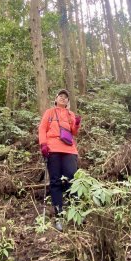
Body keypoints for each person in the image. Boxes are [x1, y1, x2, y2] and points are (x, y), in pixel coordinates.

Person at [38, 89, 81, 231]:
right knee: (55, 182)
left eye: (66, 97)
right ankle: (59, 216)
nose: (63, 98)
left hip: (69, 150)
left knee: (72, 180)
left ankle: (76, 213)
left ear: (68, 102)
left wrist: (76, 123)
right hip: (53, 149)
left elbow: (74, 132)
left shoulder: (70, 114)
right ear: (56, 99)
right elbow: (42, 128)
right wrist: (43, 144)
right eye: (61, 96)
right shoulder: (49, 112)